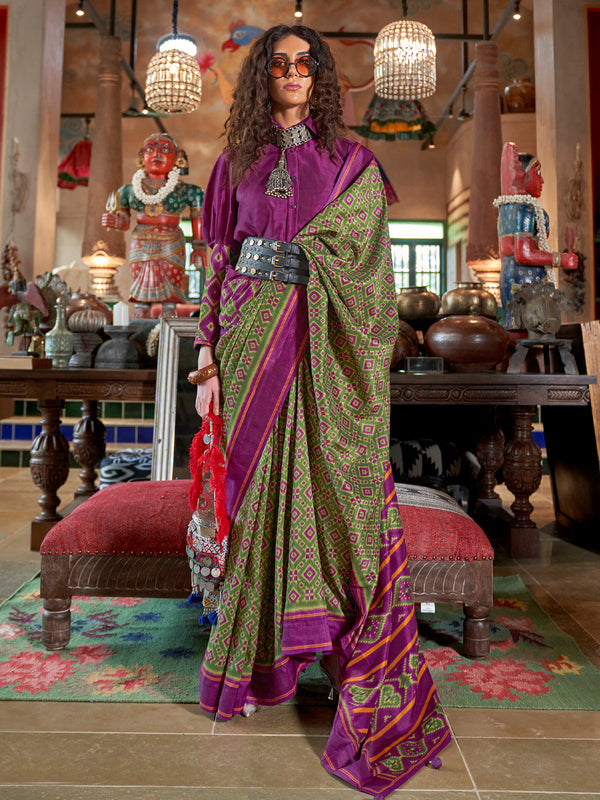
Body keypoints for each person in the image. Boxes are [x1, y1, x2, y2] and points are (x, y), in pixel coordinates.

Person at [191, 24, 450, 797]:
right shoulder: (232, 163)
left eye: (307, 65)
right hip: (244, 339)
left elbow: (371, 280)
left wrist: (322, 288)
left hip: (321, 345)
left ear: (322, 77)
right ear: (262, 77)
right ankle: (250, 664)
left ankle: (340, 655)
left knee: (333, 498)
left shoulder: (351, 163)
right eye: (280, 64)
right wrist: (206, 357)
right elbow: (218, 264)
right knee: (252, 496)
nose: (294, 74)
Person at [102, 133, 206, 318]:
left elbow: (198, 217)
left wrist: (198, 246)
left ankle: (168, 309)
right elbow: (125, 221)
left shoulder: (188, 191)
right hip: (140, 239)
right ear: (142, 156)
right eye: (150, 149)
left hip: (171, 239)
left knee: (171, 277)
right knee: (140, 277)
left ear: (178, 157)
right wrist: (117, 221)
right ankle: (141, 307)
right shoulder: (128, 190)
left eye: (165, 150)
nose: (156, 154)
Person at [494, 141, 578, 328]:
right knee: (531, 331)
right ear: (522, 176)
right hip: (525, 282)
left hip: (513, 277)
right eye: (537, 174)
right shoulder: (524, 208)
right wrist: (560, 259)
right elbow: (523, 253)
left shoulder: (507, 208)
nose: (542, 181)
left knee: (517, 329)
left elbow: (508, 250)